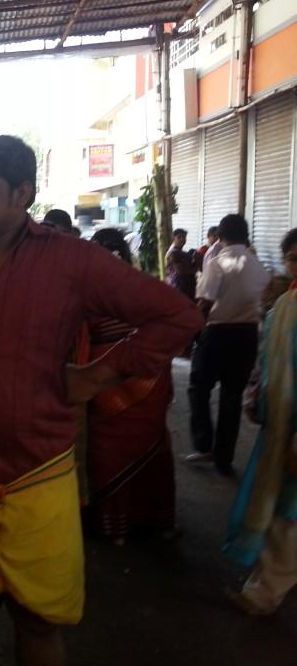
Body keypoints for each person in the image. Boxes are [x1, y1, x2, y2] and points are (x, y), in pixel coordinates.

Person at [0, 136, 202, 666]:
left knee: (39, 623)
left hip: (36, 476)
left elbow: (179, 316)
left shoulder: (72, 261)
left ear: (23, 194)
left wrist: (97, 375)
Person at [84, 229, 177, 546]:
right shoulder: (146, 286)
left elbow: (80, 340)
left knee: (110, 448)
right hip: (151, 378)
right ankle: (159, 522)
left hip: (106, 377)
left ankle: (117, 529)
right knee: (153, 447)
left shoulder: (89, 295)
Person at [224, 227, 297, 615]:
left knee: (288, 513)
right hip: (283, 421)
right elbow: (271, 360)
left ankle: (264, 593)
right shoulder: (287, 302)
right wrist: (259, 393)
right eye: (293, 258)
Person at [186, 214, 270, 476]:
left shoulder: (218, 262)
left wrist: (189, 331)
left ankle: (203, 445)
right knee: (231, 397)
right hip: (246, 337)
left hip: (217, 334)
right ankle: (224, 459)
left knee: (198, 387)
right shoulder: (259, 266)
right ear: (245, 236)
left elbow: (206, 303)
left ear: (220, 236)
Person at [166, 228, 196, 300]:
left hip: (186, 286)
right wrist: (194, 269)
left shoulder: (182, 252)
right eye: (179, 237)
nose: (182, 239)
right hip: (179, 288)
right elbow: (180, 271)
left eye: (184, 237)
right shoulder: (173, 253)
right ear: (173, 238)